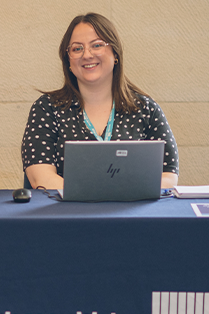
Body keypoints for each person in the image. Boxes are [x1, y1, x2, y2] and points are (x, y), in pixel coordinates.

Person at [22, 13, 179, 190]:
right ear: (68, 61)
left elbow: (168, 174)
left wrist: (113, 197)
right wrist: (100, 195)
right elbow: (40, 177)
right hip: (66, 208)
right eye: (77, 49)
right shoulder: (47, 109)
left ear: (115, 53)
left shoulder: (145, 109)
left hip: (130, 208)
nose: (87, 55)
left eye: (97, 45)